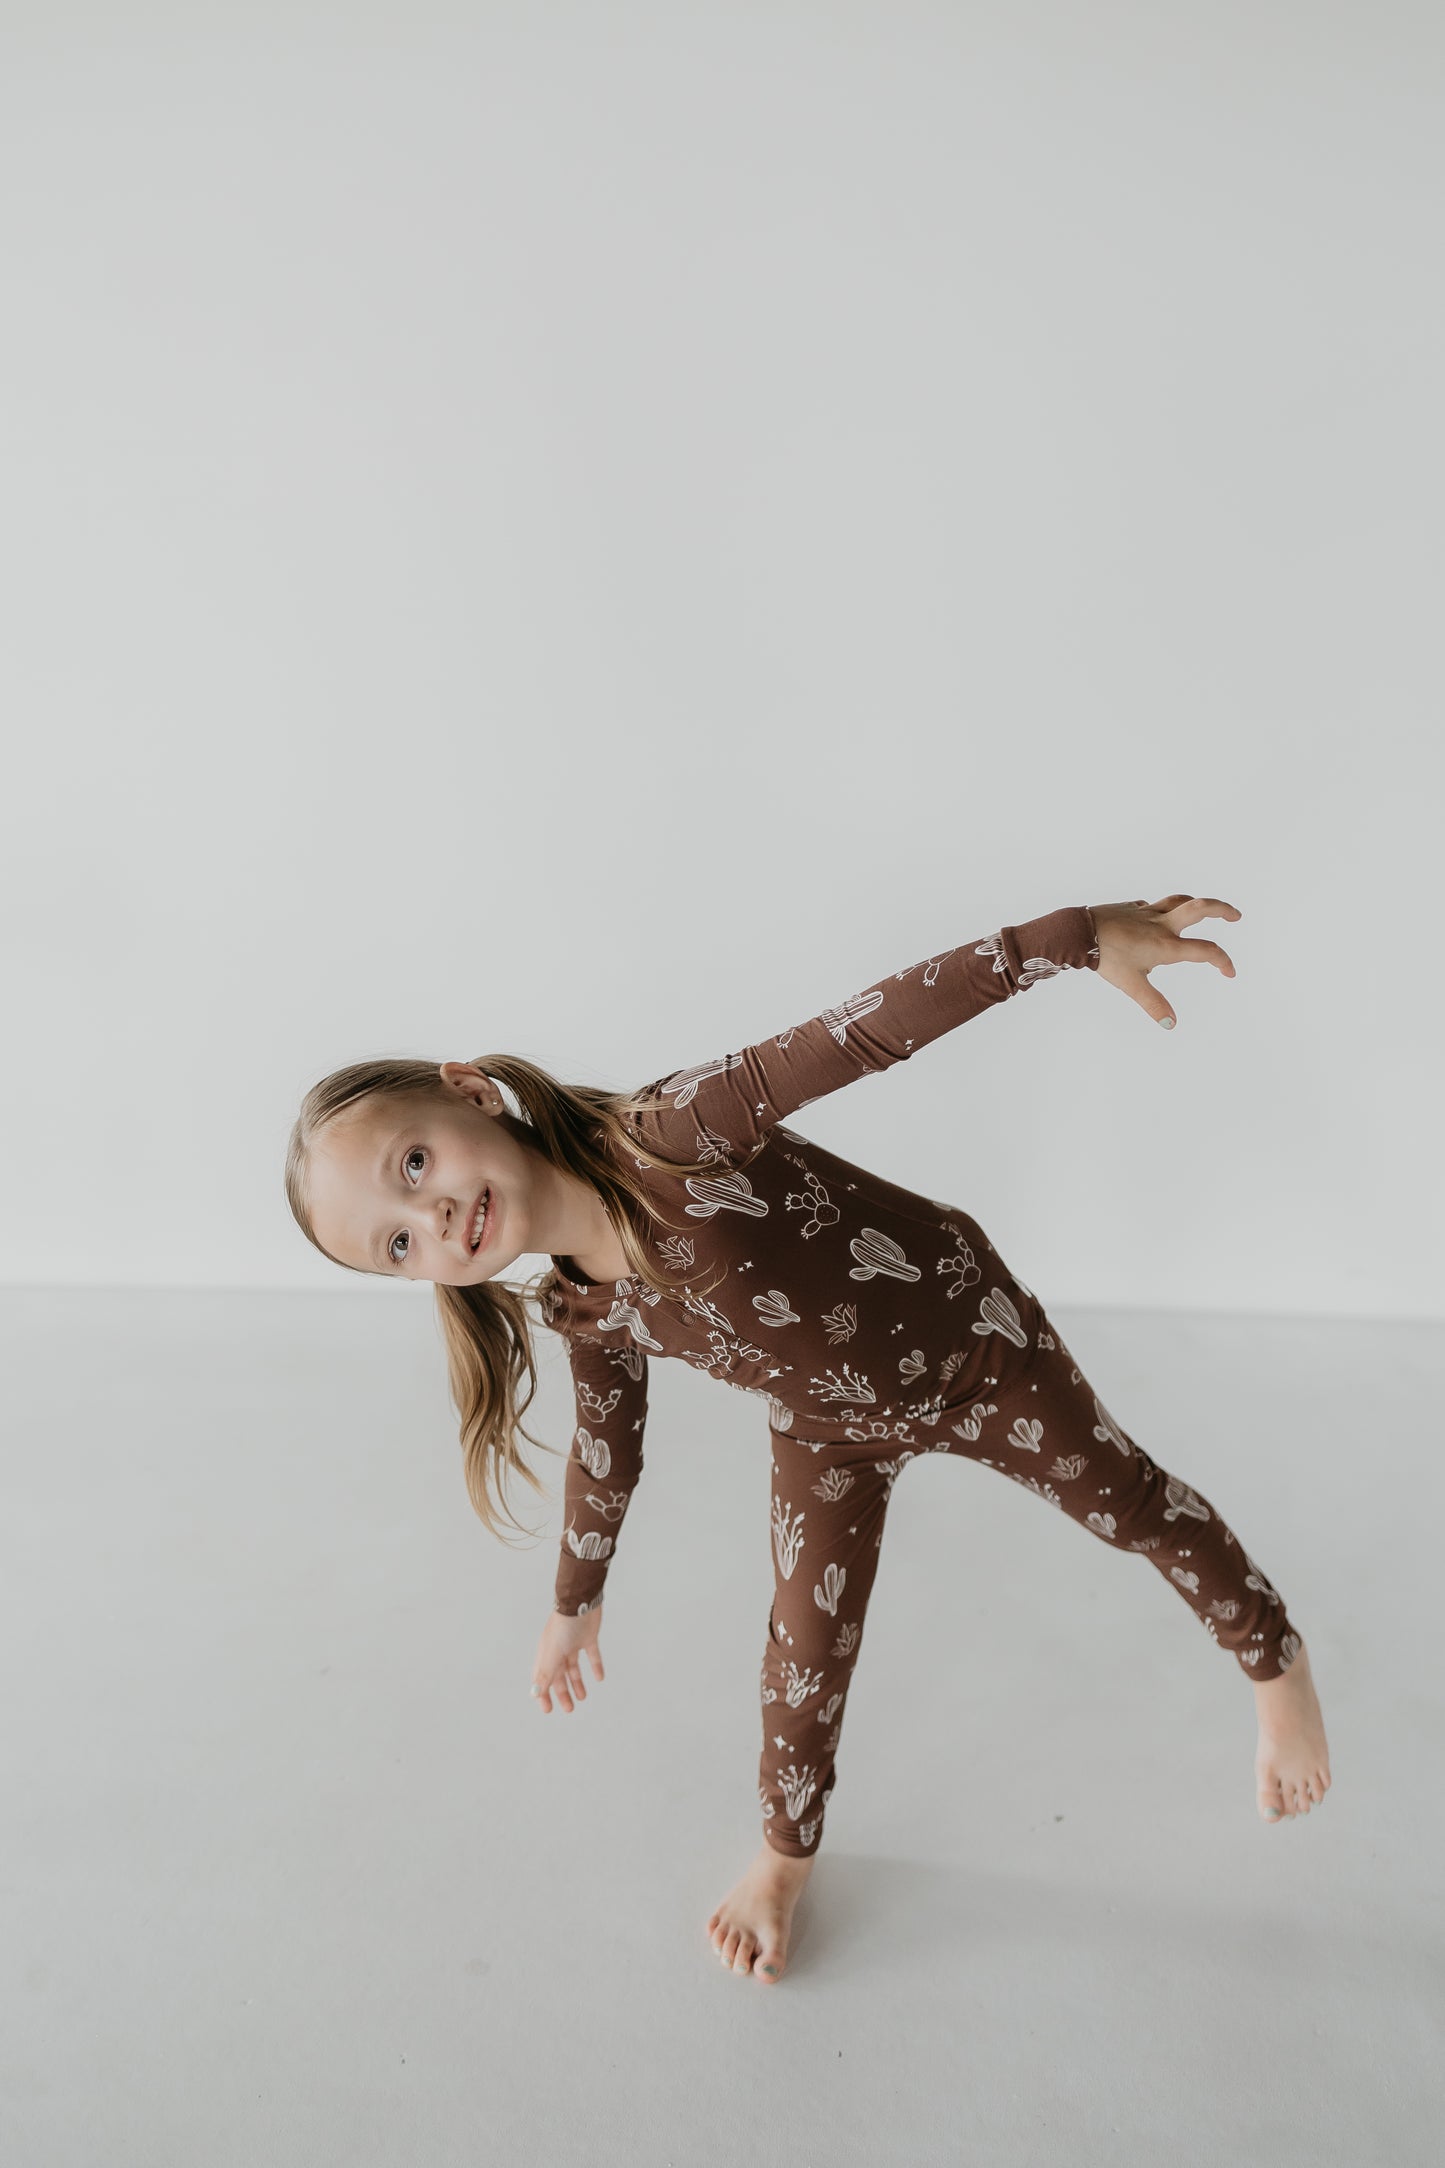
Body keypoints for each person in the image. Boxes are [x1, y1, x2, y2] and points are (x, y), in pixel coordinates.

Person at [287, 893, 1331, 1987]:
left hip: (975, 1342)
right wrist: (572, 1595)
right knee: (798, 1653)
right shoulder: (578, 1306)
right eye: (397, 1242)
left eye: (412, 1165)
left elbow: (862, 1031)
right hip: (829, 1426)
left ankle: (1272, 1655)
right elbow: (607, 1444)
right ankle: (785, 1857)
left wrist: (1062, 942)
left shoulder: (671, 1135)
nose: (435, 1217)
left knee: (1127, 1502)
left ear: (467, 1092)